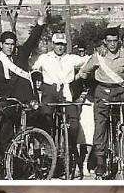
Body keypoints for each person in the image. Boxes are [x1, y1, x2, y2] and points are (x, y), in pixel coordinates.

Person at [77, 27, 124, 177]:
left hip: (120, 91)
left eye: (115, 41)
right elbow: (84, 71)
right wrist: (85, 83)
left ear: (118, 41)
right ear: (105, 42)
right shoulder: (99, 55)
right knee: (101, 123)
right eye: (109, 41)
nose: (112, 44)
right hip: (102, 92)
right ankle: (100, 161)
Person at [32, 32, 91, 176]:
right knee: (45, 117)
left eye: (62, 44)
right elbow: (34, 69)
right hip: (50, 92)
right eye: (57, 44)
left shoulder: (71, 58)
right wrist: (38, 81)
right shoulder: (44, 58)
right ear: (53, 44)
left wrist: (80, 74)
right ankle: (48, 151)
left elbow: (88, 60)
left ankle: (70, 151)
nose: (60, 47)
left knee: (74, 123)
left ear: (65, 45)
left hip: (66, 93)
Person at [0, 12, 45, 152]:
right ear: (1, 45)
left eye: (12, 44)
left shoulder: (21, 56)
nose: (10, 47)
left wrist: (40, 23)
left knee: (37, 129)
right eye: (7, 44)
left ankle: (40, 156)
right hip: (7, 104)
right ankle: (5, 163)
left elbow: (32, 40)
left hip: (25, 102)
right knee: (4, 135)